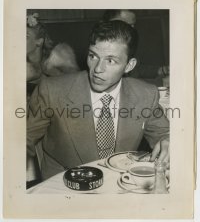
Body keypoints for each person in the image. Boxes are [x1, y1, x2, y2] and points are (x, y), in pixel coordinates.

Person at [27, 20, 169, 181]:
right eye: (93, 56)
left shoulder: (145, 95)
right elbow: (23, 139)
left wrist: (168, 140)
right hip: (65, 183)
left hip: (120, 182)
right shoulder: (52, 90)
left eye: (110, 60)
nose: (97, 69)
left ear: (129, 65)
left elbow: (164, 133)